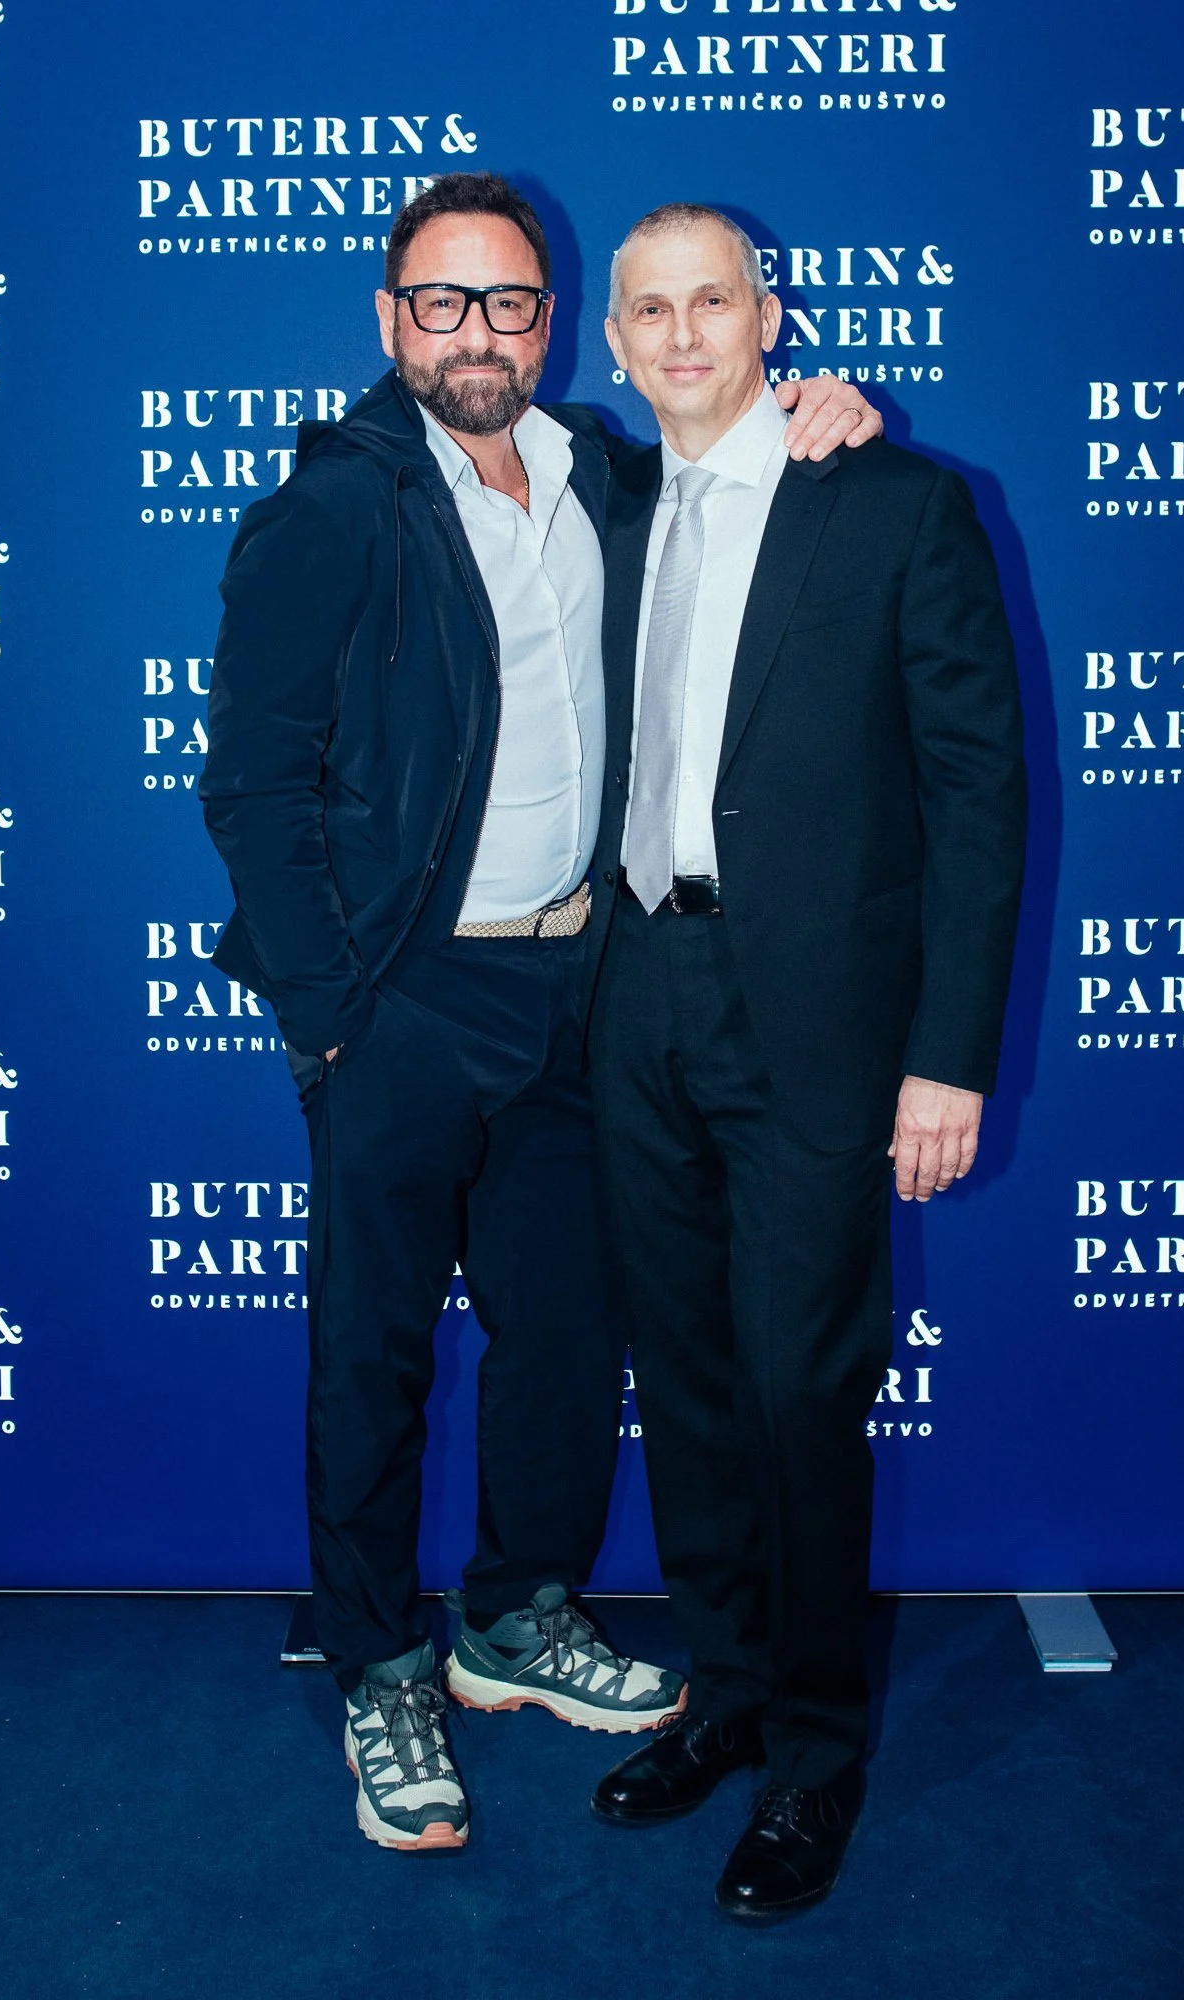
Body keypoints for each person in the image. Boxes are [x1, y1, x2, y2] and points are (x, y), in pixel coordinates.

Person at [198, 173, 881, 1853]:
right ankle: (375, 1662)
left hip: (580, 981)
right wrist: (331, 1009)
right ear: (390, 320)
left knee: (568, 1339)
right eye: (444, 302)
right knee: (373, 1348)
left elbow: (742, 484)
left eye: (510, 303)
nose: (480, 333)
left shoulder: (601, 467)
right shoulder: (338, 505)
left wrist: (827, 407)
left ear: (551, 321)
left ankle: (514, 1612)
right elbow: (254, 779)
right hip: (404, 994)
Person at [583, 204, 1027, 1921]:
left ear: (769, 318)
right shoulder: (600, 503)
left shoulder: (900, 502)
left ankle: (818, 1756)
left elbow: (980, 799)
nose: (683, 336)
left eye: (713, 303)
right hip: (634, 999)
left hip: (826, 1029)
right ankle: (729, 1695)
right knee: (686, 1387)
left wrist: (947, 1057)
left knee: (795, 1393)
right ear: (607, 340)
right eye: (650, 311)